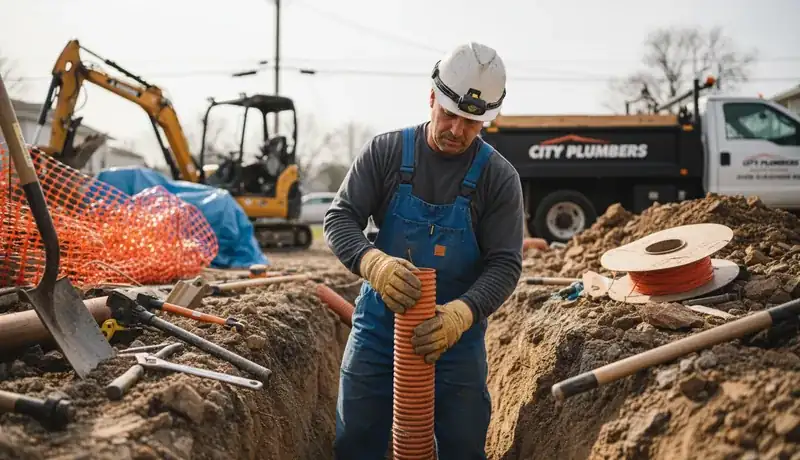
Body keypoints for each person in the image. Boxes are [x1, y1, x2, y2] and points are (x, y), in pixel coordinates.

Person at [323, 41, 524, 459]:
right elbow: (340, 218)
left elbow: (505, 264)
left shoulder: (498, 178)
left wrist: (461, 314)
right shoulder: (385, 153)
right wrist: (374, 264)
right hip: (379, 328)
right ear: (432, 97)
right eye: (449, 114)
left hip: (456, 336)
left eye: (472, 122)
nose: (457, 130)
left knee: (462, 443)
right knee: (357, 438)